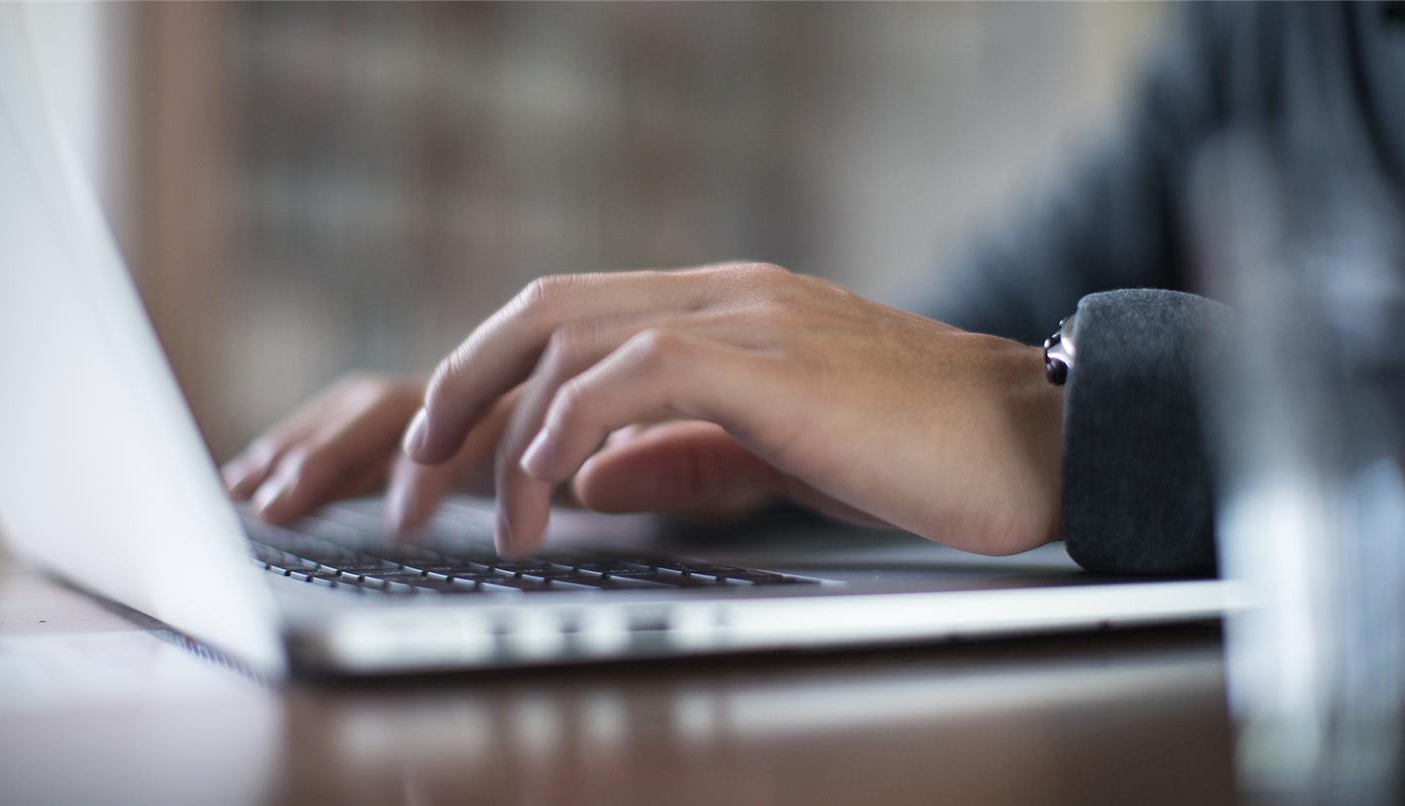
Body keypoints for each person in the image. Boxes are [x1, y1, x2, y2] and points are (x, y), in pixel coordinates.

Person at [221, 3, 1405, 575]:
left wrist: (1057, 418)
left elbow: (1003, 392)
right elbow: (944, 350)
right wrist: (709, 411)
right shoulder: (1273, 25)